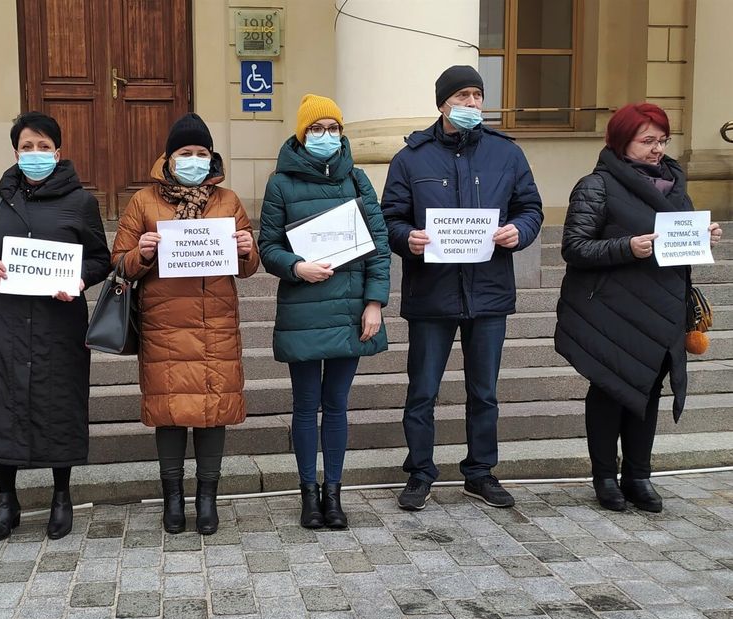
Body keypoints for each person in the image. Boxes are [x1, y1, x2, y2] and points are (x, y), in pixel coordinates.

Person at [381, 65, 543, 511]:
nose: (472, 103)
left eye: (478, 95)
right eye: (462, 96)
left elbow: (530, 207)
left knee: (484, 391)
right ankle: (419, 472)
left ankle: (480, 472)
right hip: (431, 293)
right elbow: (390, 218)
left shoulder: (505, 154)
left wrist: (519, 231)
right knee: (423, 391)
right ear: (442, 104)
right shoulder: (411, 157)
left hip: (488, 290)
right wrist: (406, 239)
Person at [555, 103, 722, 512]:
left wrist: (704, 236)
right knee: (611, 389)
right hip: (612, 309)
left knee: (649, 390)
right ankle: (604, 478)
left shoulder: (675, 185)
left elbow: (680, 241)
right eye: (647, 140)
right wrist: (626, 247)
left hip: (662, 307)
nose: (657, 149)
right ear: (621, 141)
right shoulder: (595, 186)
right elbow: (574, 248)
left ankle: (638, 475)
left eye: (662, 140)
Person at [0, 112, 111, 543]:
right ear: (16, 152)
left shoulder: (81, 202)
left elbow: (101, 258)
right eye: (28, 147)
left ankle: (62, 495)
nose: (36, 154)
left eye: (44, 147)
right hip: (3, 321)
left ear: (58, 153)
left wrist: (80, 279)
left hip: (57, 323)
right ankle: (7, 500)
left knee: (59, 403)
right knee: (0, 404)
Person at [111, 112, 261, 535]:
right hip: (164, 325)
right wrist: (140, 251)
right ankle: (173, 498)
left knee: (213, 412)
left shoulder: (228, 201)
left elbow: (248, 268)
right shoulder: (144, 201)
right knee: (170, 411)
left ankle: (208, 498)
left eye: (201, 153)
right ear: (169, 157)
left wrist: (249, 248)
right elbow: (119, 262)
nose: (193, 159)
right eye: (185, 153)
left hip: (214, 323)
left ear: (211, 157)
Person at [258, 95, 391, 529]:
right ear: (302, 134)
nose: (326, 136)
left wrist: (375, 301)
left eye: (334, 128)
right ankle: (307, 493)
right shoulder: (280, 183)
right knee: (305, 404)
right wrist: (296, 266)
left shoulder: (357, 179)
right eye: (317, 129)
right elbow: (268, 246)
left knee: (336, 404)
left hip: (351, 306)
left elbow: (379, 243)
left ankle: (333, 493)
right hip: (303, 307)